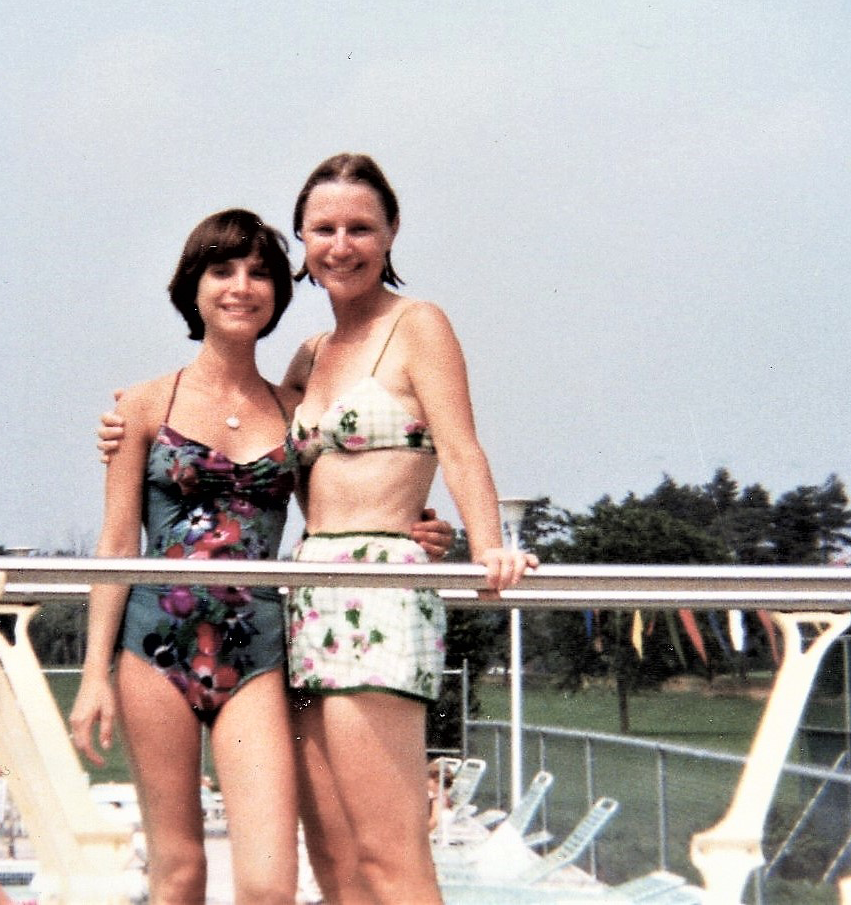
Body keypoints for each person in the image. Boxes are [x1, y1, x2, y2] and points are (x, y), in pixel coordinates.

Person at [279, 153, 538, 905]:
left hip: (381, 589)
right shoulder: (309, 354)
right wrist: (128, 419)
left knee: (390, 850)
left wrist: (487, 543)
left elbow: (459, 445)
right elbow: (248, 429)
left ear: (391, 234)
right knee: (333, 852)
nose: (341, 244)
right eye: (323, 228)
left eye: (361, 227)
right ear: (300, 239)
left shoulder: (416, 324)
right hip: (305, 588)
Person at [70, 209, 302, 905]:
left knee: (267, 882)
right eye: (222, 269)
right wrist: (92, 675)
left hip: (256, 649)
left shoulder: (296, 408)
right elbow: (117, 545)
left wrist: (416, 528)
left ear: (277, 294)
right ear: (193, 288)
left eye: (259, 272)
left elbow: (340, 510)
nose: (241, 286)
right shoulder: (142, 404)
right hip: (153, 648)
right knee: (179, 874)